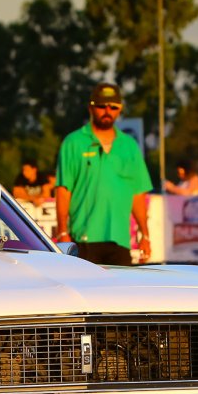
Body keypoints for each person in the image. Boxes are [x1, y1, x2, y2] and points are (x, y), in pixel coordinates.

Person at [55, 82, 152, 266]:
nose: (107, 110)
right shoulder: (73, 142)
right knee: (85, 293)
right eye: (102, 106)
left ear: (120, 109)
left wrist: (145, 234)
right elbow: (63, 190)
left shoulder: (129, 146)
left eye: (113, 107)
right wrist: (62, 232)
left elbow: (138, 194)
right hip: (84, 238)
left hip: (120, 239)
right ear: (91, 107)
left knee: (120, 294)